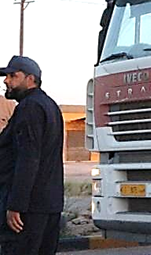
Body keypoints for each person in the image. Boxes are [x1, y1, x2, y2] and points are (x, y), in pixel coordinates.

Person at [0, 56, 64, 255]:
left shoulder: (30, 108)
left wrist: (15, 205)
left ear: (30, 79)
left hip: (28, 209)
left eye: (13, 76)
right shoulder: (49, 106)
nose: (6, 81)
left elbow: (28, 159)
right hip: (48, 205)